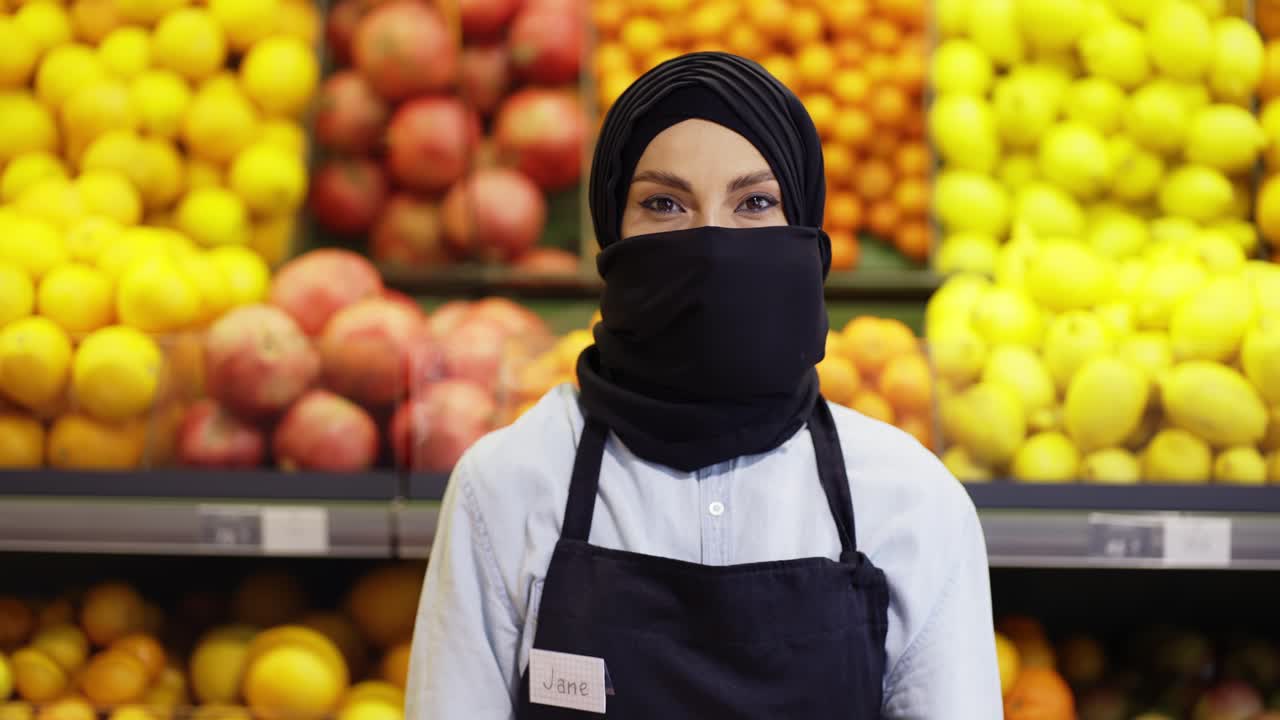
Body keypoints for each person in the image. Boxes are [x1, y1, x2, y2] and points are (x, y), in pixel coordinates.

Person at [407, 52, 1001, 718]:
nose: (711, 240)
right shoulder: (507, 485)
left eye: (755, 202)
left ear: (803, 229)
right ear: (612, 232)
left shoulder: (913, 502)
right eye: (664, 203)